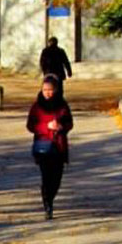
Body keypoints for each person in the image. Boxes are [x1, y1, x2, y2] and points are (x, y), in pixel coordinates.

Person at [27, 74, 73, 220]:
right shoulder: (37, 106)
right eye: (45, 89)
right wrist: (46, 127)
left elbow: (69, 123)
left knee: (57, 178)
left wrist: (61, 126)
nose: (47, 92)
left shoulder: (62, 105)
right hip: (43, 147)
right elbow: (31, 125)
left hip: (59, 146)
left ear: (56, 90)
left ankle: (50, 196)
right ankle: (48, 205)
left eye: (50, 89)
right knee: (46, 177)